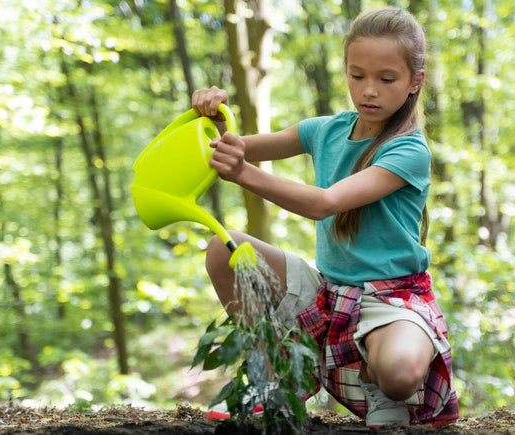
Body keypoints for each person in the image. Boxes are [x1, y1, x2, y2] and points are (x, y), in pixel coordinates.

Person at [192, 7, 459, 428]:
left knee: (400, 374)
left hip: (389, 299)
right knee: (224, 250)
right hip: (328, 293)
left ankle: (373, 376)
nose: (369, 90)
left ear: (415, 82)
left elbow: (325, 203)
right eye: (357, 75)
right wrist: (208, 115)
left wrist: (243, 173)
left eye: (386, 79)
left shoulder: (409, 150)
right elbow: (231, 145)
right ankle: (277, 374)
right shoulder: (325, 130)